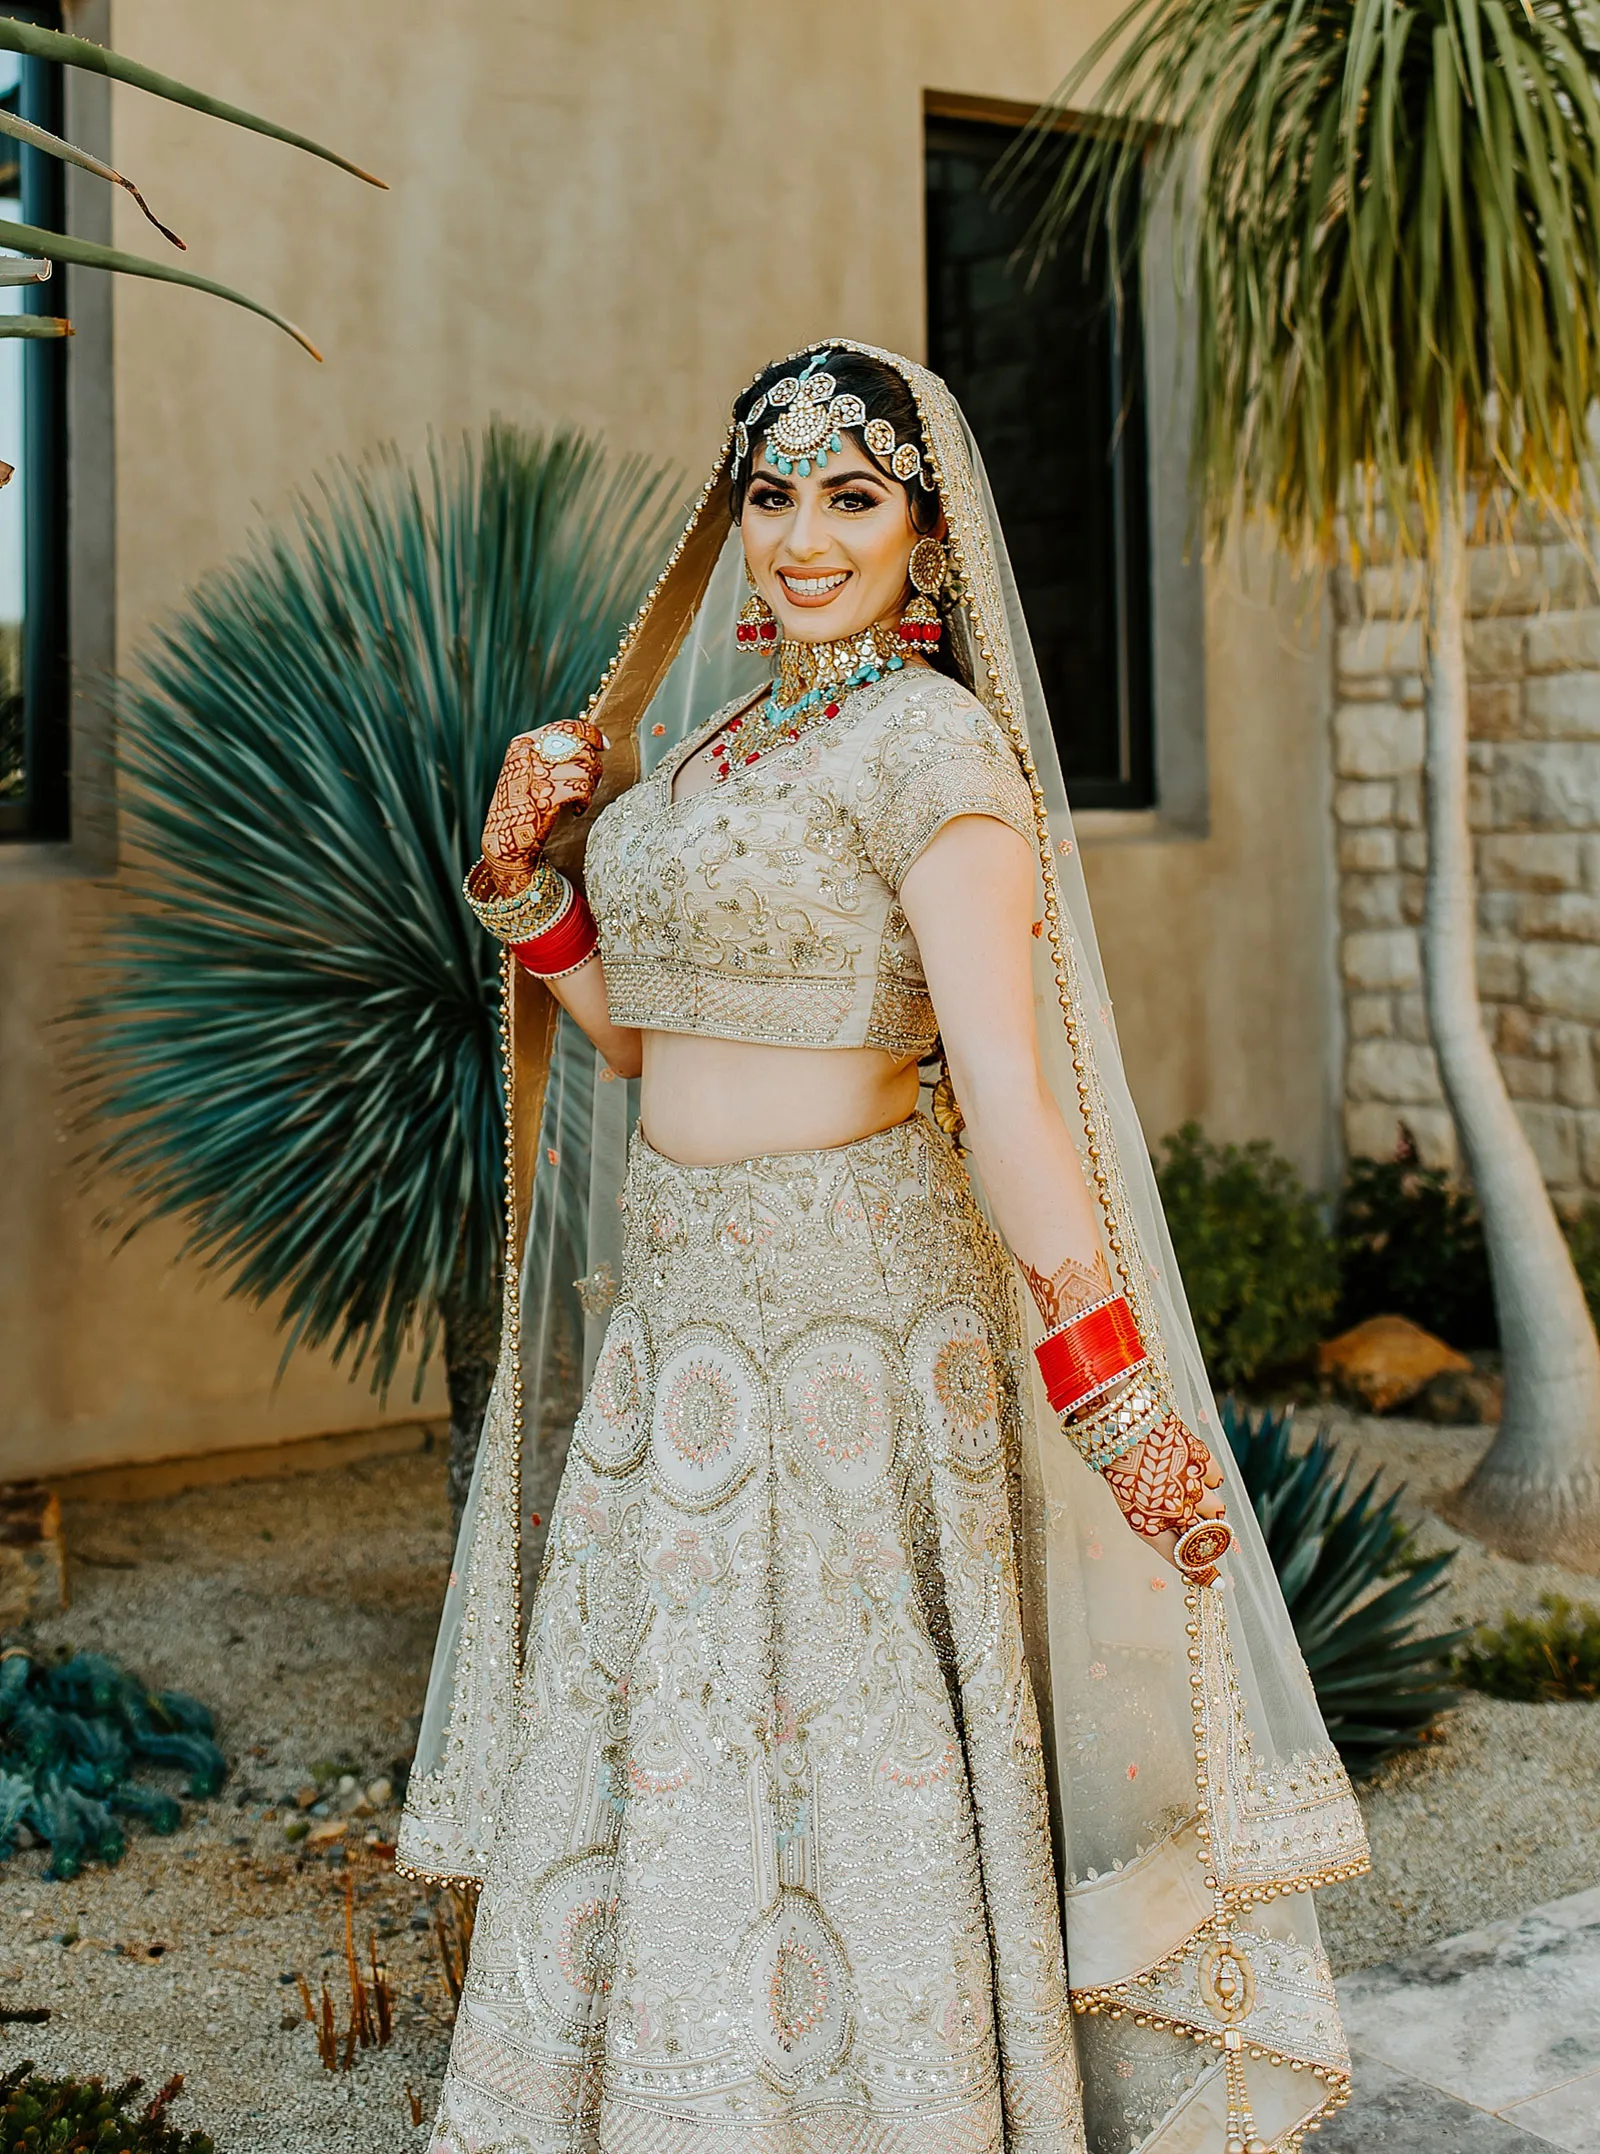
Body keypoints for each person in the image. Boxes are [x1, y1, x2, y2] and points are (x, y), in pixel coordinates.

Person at [399, 343, 1367, 2154]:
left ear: (927, 532)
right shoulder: (704, 756)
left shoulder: (934, 749)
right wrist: (527, 886)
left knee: (852, 1762)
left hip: (855, 1345)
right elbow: (638, 1046)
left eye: (851, 496)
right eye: (772, 495)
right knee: (674, 1755)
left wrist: (1109, 1385)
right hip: (682, 1350)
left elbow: (1005, 1087)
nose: (803, 536)